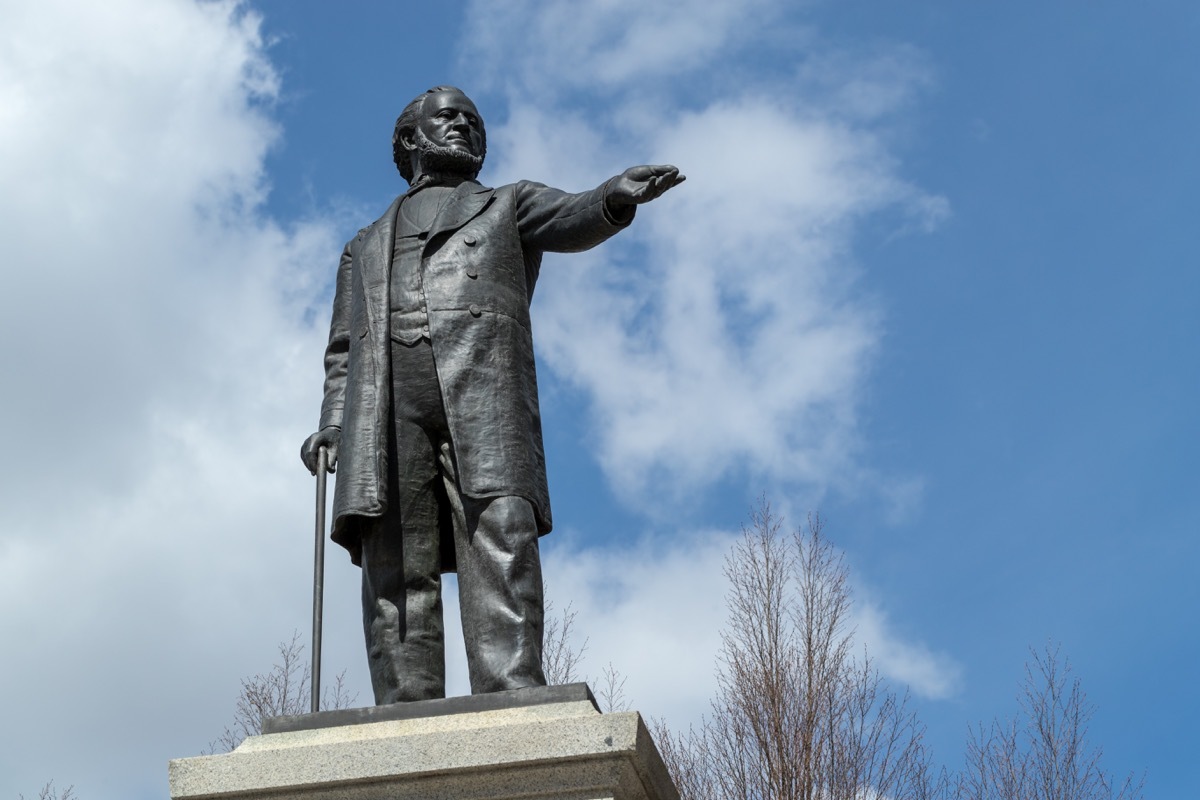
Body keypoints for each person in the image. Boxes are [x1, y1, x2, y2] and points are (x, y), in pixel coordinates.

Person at [301, 85, 683, 704]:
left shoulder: (508, 205)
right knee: (395, 558)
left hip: (483, 391)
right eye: (448, 116)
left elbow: (572, 215)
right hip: (386, 406)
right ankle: (406, 702)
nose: (463, 126)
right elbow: (344, 349)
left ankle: (511, 691)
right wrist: (333, 424)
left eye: (473, 120)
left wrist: (612, 197)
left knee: (501, 533)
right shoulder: (365, 244)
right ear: (409, 139)